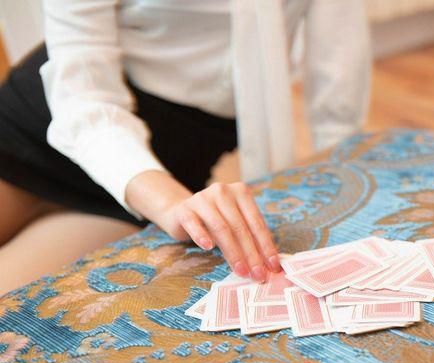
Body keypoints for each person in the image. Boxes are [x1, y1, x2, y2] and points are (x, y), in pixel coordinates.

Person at [0, 0, 371, 295]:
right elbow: (82, 96)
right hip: (41, 128)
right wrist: (170, 203)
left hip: (161, 171)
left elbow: (338, 70)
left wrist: (338, 184)